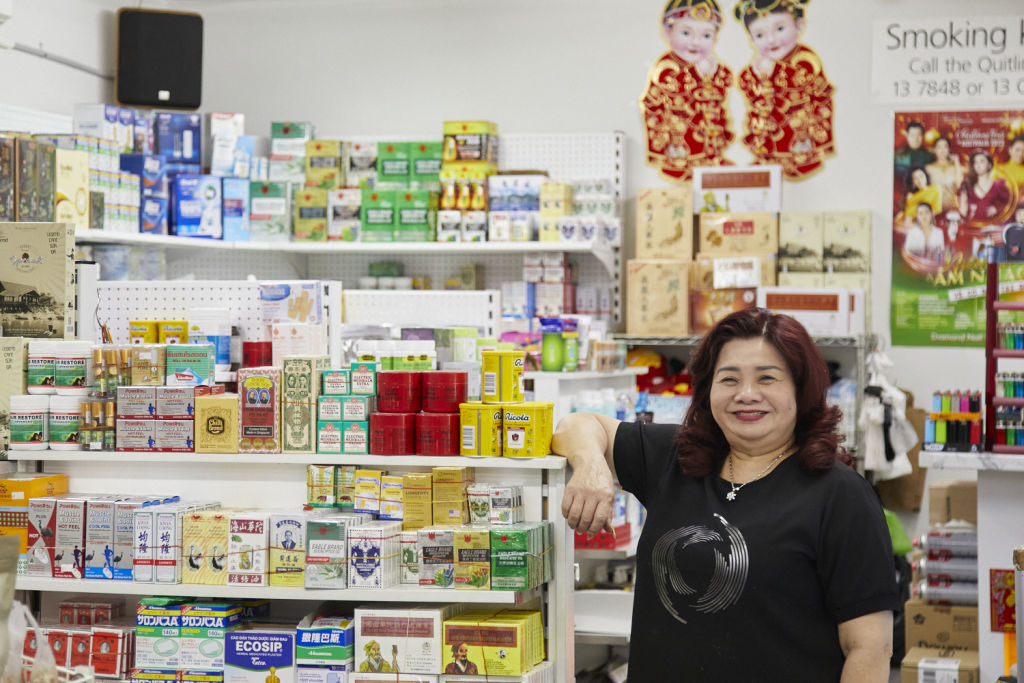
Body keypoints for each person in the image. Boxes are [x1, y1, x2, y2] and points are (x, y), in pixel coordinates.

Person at [553, 308, 898, 681]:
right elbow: (577, 424)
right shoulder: (675, 457)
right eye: (729, 379)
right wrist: (590, 464)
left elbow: (870, 647)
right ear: (708, 389)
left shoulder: (841, 496)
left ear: (802, 388)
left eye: (767, 379)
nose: (746, 395)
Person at [733, 0, 835, 179]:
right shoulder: (761, 62)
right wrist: (757, 74)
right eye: (759, 35)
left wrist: (773, 71)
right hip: (769, 122)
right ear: (751, 39)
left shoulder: (804, 57)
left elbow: (802, 82)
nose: (771, 40)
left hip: (799, 120)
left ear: (799, 25)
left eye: (780, 29)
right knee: (765, 138)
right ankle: (767, 158)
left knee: (799, 145)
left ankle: (801, 161)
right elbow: (744, 82)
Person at [640, 0, 735, 181]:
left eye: (706, 36)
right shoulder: (667, 66)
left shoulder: (710, 64)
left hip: (708, 126)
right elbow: (676, 91)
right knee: (681, 143)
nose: (696, 42)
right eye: (686, 33)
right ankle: (681, 164)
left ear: (715, 38)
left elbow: (725, 83)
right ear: (668, 33)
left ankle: (711, 157)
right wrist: (698, 73)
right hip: (680, 127)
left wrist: (714, 73)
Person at [959, 151, 1012, 226]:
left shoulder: (999, 185)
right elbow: (962, 211)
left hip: (993, 227)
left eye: (982, 161)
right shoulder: (967, 185)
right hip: (972, 227)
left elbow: (1010, 204)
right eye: (975, 162)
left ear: (989, 165)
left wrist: (997, 209)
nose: (978, 165)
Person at [925, 136, 963, 213]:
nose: (942, 150)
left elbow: (959, 185)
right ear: (934, 150)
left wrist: (957, 163)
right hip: (934, 210)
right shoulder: (928, 168)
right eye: (939, 147)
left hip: (953, 209)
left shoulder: (956, 167)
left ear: (949, 149)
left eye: (945, 147)